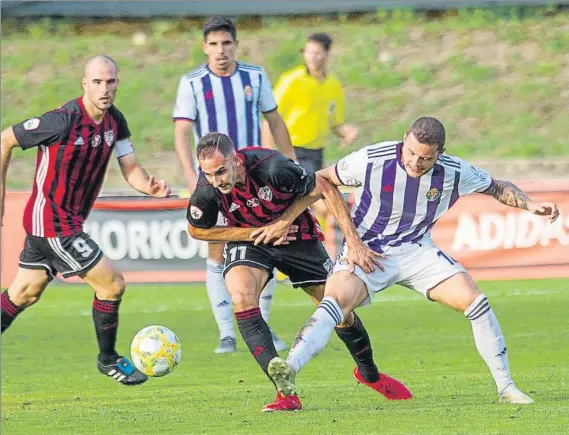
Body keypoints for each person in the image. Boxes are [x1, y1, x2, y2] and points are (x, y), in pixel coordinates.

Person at [263, 116, 559, 405]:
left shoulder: (454, 171)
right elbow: (323, 180)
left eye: (425, 159)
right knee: (335, 303)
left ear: (439, 155)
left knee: (476, 302)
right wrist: (297, 222)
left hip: (417, 251)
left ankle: (506, 388)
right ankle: (290, 368)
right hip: (369, 250)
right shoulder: (372, 158)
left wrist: (531, 205)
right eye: (412, 153)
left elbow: (497, 186)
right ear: (404, 139)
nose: (416, 163)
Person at [186, 132, 412, 412]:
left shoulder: (272, 167)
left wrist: (351, 242)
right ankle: (285, 392)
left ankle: (370, 375)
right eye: (208, 174)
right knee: (242, 297)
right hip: (252, 241)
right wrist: (253, 233)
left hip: (298, 237)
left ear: (236, 160)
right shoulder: (207, 189)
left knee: (339, 310)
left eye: (220, 171)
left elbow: (325, 187)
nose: (216, 181)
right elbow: (197, 229)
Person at [0, 55, 171, 386]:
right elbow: (5, 139)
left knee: (23, 294)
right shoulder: (62, 120)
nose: (104, 89)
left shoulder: (115, 121)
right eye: (97, 82)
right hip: (52, 222)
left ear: (117, 83)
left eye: (110, 82)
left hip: (66, 223)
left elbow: (131, 167)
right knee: (112, 283)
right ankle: (108, 360)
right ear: (84, 84)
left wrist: (149, 185)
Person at [173, 16, 295, 354]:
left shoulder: (254, 77)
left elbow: (275, 120)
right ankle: (227, 332)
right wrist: (189, 173)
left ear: (235, 45)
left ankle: (264, 325)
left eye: (226, 43)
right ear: (204, 47)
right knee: (216, 248)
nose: (220, 50)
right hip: (213, 179)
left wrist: (290, 163)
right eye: (213, 44)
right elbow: (182, 132)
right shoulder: (193, 82)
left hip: (253, 176)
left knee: (267, 243)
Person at [262, 32, 358, 232]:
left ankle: (317, 244)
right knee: (321, 203)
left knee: (314, 205)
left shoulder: (333, 85)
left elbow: (335, 122)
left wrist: (345, 131)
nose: (312, 57)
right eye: (309, 52)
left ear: (327, 54)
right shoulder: (292, 80)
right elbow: (270, 118)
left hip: (316, 153)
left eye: (317, 53)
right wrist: (267, 153)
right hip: (292, 151)